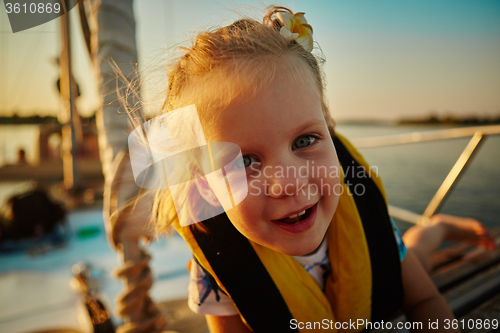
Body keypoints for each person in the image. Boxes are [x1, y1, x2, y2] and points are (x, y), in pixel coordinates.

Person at [144, 6, 464, 332]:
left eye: (304, 140)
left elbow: (424, 302)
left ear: (328, 129)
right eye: (244, 161)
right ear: (206, 186)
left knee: (415, 256)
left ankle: (435, 229)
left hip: (378, 287)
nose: (288, 183)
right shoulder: (218, 263)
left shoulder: (367, 216)